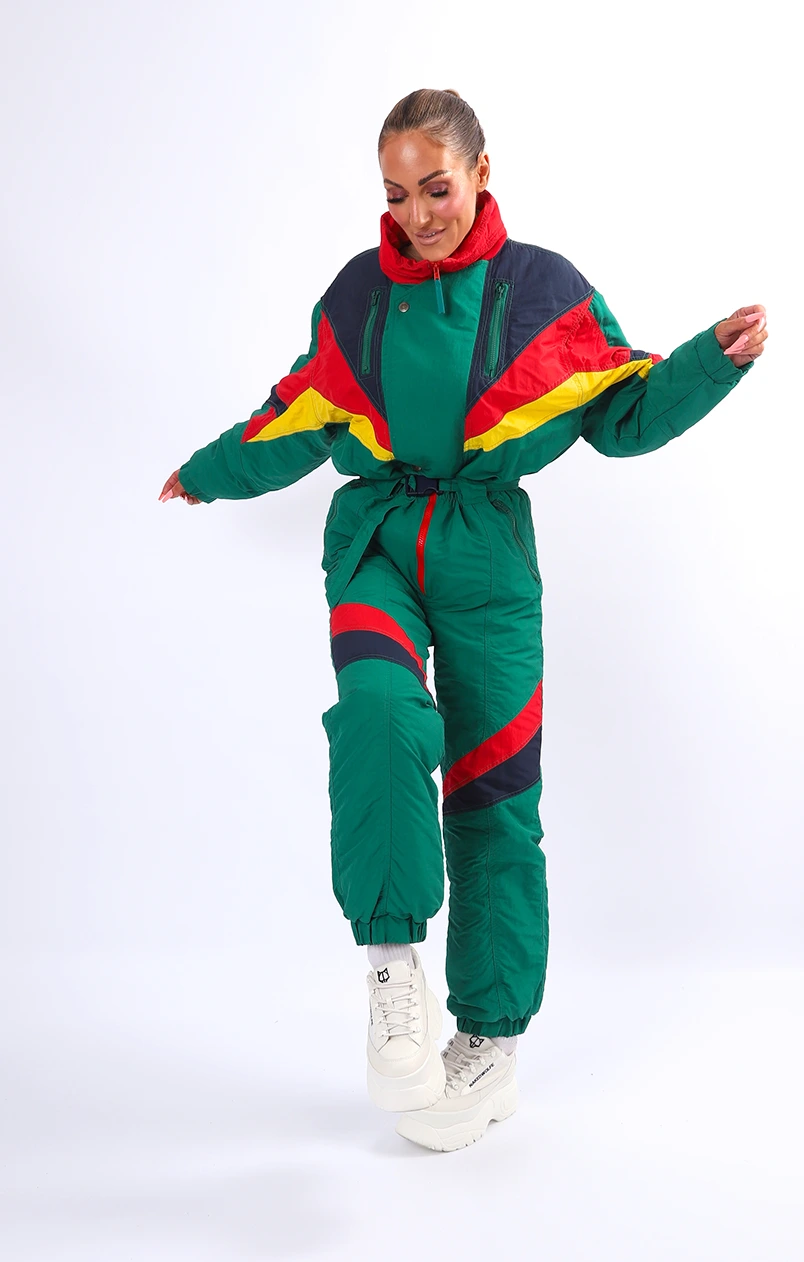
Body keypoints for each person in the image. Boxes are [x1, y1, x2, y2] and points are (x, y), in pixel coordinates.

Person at [159, 88, 767, 1153]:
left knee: (495, 801)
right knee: (381, 714)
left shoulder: (545, 292)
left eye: (435, 188)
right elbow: (298, 410)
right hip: (379, 544)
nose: (417, 216)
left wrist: (709, 364)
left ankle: (488, 1045)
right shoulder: (358, 295)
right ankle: (392, 967)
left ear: (482, 173)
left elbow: (622, 415)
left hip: (489, 557)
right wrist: (208, 472)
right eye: (396, 195)